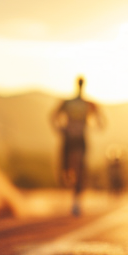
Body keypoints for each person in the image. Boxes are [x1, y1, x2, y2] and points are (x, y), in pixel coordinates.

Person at [51, 76, 103, 215]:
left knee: (79, 169)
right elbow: (53, 116)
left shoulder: (84, 103)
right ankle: (74, 195)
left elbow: (53, 116)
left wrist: (59, 128)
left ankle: (76, 200)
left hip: (77, 139)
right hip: (72, 139)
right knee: (68, 171)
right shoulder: (72, 102)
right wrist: (60, 129)